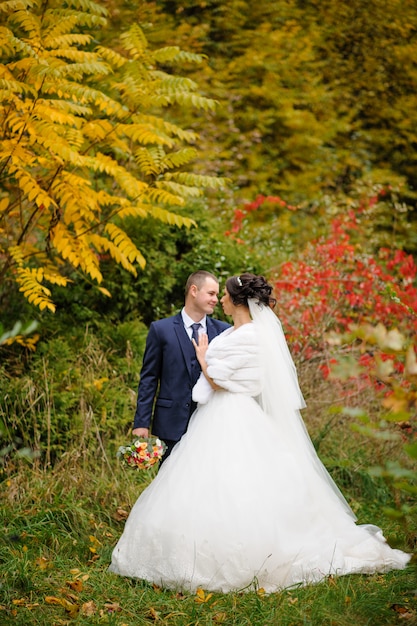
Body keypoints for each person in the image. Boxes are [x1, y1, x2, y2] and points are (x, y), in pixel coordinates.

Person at [109, 273, 410, 593]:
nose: (219, 299)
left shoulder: (246, 335)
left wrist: (202, 358)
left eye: (223, 295)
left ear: (237, 300)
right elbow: (154, 378)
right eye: (214, 293)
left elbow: (225, 380)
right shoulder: (215, 333)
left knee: (238, 482)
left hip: (231, 415)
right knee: (205, 484)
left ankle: (240, 550)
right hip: (206, 415)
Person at [131, 270, 230, 462]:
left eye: (217, 295)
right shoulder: (161, 330)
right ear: (194, 290)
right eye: (211, 293)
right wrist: (141, 423)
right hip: (170, 423)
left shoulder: (223, 331)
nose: (216, 300)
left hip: (210, 422)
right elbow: (149, 379)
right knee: (170, 482)